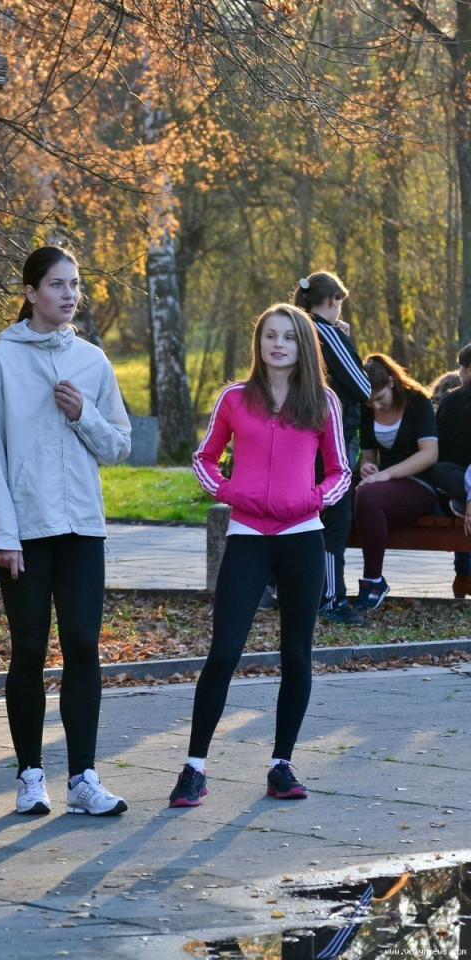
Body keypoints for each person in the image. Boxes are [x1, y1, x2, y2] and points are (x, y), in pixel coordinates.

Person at [168, 303, 350, 808]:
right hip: (247, 535)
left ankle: (281, 765)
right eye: (270, 335)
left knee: (296, 654)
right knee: (225, 651)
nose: (278, 344)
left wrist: (313, 499)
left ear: (303, 346)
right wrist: (230, 492)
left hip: (302, 537)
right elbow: (204, 459)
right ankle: (194, 768)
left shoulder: (323, 402)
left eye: (288, 337)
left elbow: (341, 471)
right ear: (259, 342)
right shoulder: (234, 398)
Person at [0, 245, 132, 817]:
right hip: (25, 532)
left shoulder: (92, 361)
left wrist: (83, 413)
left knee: (84, 645)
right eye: (57, 284)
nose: (70, 295)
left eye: (75, 284)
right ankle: (30, 776)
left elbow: (119, 445)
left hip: (82, 527)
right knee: (30, 650)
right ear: (31, 292)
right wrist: (2, 535)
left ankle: (84, 779)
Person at [293, 272, 371, 626]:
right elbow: (362, 387)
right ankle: (330, 599)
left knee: (300, 516)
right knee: (333, 520)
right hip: (330, 440)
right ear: (331, 300)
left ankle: (291, 591)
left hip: (295, 437)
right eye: (340, 301)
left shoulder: (293, 331)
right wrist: (343, 340)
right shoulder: (324, 332)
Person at [353, 353, 438, 610]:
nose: (376, 407)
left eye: (380, 398)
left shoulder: (417, 401)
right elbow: (369, 455)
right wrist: (367, 467)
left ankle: (373, 581)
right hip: (384, 485)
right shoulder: (368, 410)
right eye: (370, 402)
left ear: (391, 382)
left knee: (368, 496)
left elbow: (429, 454)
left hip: (419, 483)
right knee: (342, 495)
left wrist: (387, 474)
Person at [429, 344, 471, 597]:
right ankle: (464, 575)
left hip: (454, 479)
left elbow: (439, 445)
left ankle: (464, 574)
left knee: (443, 474)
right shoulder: (453, 399)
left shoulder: (452, 399)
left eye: (461, 367)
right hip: (458, 481)